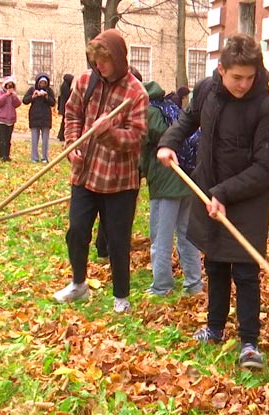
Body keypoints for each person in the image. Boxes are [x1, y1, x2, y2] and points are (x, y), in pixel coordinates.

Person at [157, 33, 269, 370]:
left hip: (246, 199)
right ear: (220, 69)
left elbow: (268, 168)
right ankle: (214, 328)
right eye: (236, 77)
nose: (243, 84)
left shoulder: (266, 110)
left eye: (249, 77)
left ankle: (249, 343)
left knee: (244, 270)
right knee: (214, 263)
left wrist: (223, 194)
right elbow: (188, 119)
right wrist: (168, 142)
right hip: (209, 189)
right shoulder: (207, 92)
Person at [55, 29, 148, 313]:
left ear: (118, 59)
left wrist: (109, 133)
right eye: (96, 60)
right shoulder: (86, 80)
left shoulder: (136, 93)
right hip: (85, 174)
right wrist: (72, 143)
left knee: (117, 240)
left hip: (119, 180)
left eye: (104, 61)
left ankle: (121, 296)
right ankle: (78, 283)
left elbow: (138, 138)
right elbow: (72, 114)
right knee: (77, 231)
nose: (99, 66)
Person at [140, 79, 203, 297]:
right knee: (187, 234)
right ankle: (194, 284)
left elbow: (143, 144)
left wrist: (139, 172)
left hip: (166, 181)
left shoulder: (149, 112)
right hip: (186, 177)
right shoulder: (170, 107)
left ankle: (161, 286)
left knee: (160, 236)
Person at [22, 73, 56, 163]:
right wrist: (33, 96)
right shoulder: (32, 90)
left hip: (45, 118)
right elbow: (25, 100)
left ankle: (45, 157)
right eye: (41, 82)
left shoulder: (49, 91)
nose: (42, 84)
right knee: (34, 139)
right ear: (38, 82)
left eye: (44, 83)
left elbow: (53, 103)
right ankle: (34, 157)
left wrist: (46, 97)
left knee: (45, 140)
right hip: (34, 117)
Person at [0, 76, 21, 161]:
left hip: (10, 120)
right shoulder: (0, 93)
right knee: (2, 139)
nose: (10, 87)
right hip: (1, 120)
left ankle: (7, 155)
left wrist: (13, 96)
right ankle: (2, 156)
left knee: (8, 139)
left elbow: (18, 104)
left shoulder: (13, 95)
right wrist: (6, 95)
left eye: (11, 86)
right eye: (8, 85)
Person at [56, 73, 73, 142]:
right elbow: (68, 95)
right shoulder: (65, 86)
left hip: (63, 107)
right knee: (64, 122)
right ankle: (62, 135)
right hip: (65, 107)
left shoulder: (63, 85)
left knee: (63, 122)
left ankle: (61, 135)